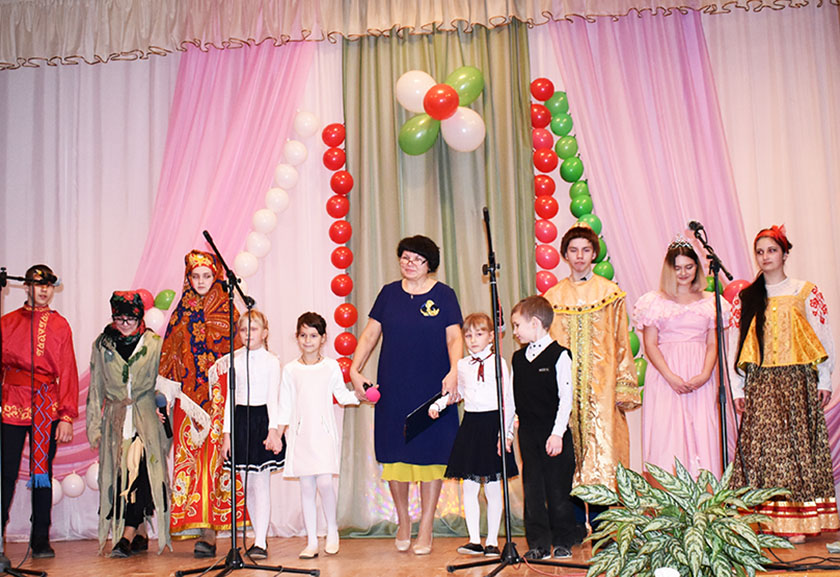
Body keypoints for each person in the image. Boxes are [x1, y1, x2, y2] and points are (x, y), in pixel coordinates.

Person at [349, 235, 462, 555]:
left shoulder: (444, 295)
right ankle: (403, 520)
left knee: (431, 457)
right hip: (394, 387)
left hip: (433, 387)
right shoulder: (388, 294)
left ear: (430, 264)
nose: (409, 263)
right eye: (405, 257)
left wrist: (455, 371)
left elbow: (454, 338)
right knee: (394, 454)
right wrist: (354, 370)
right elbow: (370, 335)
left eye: (417, 259)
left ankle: (426, 526)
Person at [730, 225, 837, 542]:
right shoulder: (748, 297)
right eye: (760, 252)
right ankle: (762, 521)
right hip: (761, 382)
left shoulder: (805, 291)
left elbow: (823, 336)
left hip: (797, 381)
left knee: (794, 448)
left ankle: (797, 522)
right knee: (763, 450)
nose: (765, 257)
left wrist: (825, 378)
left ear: (785, 254)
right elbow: (738, 343)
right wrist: (738, 387)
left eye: (772, 250)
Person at [542, 224, 640, 493]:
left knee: (604, 450)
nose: (579, 256)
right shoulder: (553, 297)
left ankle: (604, 516)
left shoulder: (610, 293)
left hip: (602, 388)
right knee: (567, 452)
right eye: (573, 250)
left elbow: (621, 341)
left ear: (594, 253)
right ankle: (572, 516)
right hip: (565, 388)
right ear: (565, 255)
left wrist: (623, 385)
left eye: (585, 250)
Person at [156, 250, 241, 557]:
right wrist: (163, 396)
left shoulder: (229, 310)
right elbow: (170, 355)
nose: (201, 281)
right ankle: (197, 525)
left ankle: (211, 532)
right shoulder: (180, 313)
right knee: (190, 462)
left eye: (207, 276)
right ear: (188, 278)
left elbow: (241, 353)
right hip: (188, 401)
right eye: (195, 276)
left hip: (220, 398)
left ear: (215, 276)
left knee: (217, 462)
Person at [1, 264, 78, 558]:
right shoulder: (7, 322)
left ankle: (41, 538)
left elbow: (68, 370)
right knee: (6, 470)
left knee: (41, 472)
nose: (43, 290)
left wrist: (66, 415)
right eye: (37, 284)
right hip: (12, 399)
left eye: (48, 285)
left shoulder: (60, 325)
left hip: (46, 402)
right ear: (26, 287)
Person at [86, 291, 171, 557]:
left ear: (140, 317)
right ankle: (141, 531)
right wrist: (94, 426)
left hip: (145, 417)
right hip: (116, 418)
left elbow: (164, 381)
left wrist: (162, 405)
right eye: (119, 318)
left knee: (142, 471)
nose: (124, 324)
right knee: (120, 476)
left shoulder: (154, 343)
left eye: (130, 319)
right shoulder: (103, 345)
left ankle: (127, 534)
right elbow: (96, 387)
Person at [428, 312, 518, 558]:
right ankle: (474, 540)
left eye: (479, 334)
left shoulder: (499, 363)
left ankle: (492, 541)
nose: (473, 340)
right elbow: (456, 393)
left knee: (492, 486)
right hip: (471, 425)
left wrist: (506, 433)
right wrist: (439, 404)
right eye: (468, 335)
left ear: (491, 336)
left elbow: (508, 399)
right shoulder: (462, 365)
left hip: (493, 424)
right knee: (469, 485)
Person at [632, 236, 720, 479]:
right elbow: (650, 344)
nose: (683, 273)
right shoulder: (654, 301)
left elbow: (713, 343)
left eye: (688, 267)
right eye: (677, 267)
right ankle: (668, 495)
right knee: (667, 433)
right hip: (665, 375)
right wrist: (671, 377)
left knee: (702, 429)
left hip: (700, 372)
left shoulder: (711, 301)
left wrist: (705, 374)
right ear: (668, 269)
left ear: (697, 267)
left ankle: (705, 492)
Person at [277, 312, 360, 559]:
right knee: (306, 487)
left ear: (323, 338)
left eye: (313, 336)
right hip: (301, 435)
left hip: (323, 434)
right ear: (297, 337)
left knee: (324, 482)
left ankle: (332, 530)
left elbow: (342, 395)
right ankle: (311, 541)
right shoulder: (290, 370)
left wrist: (360, 395)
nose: (308, 340)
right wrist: (278, 433)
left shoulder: (331, 366)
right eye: (303, 335)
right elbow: (285, 405)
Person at [509, 296, 576, 560]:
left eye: (517, 325)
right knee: (533, 489)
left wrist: (557, 433)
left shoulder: (560, 355)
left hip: (554, 433)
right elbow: (512, 400)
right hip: (528, 434)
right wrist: (508, 432)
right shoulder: (517, 359)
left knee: (558, 489)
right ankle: (538, 543)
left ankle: (563, 540)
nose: (515, 332)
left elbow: (566, 398)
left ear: (535, 323)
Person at [219, 310, 284, 560]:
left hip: (261, 420)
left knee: (260, 482)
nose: (248, 334)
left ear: (264, 333)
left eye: (253, 329)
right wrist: (227, 434)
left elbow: (273, 398)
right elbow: (230, 399)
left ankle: (260, 541)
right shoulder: (234, 360)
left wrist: (273, 430)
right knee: (246, 483)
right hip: (240, 420)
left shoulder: (271, 361)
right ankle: (256, 535)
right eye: (243, 329)